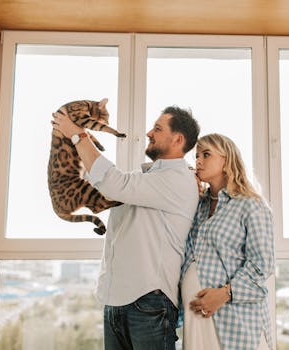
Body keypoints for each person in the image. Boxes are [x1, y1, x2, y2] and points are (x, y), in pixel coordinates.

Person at [52, 105, 200, 350]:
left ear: (178, 139)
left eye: (158, 128)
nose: (149, 133)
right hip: (118, 299)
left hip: (149, 300)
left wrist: (79, 136)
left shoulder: (178, 180)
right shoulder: (146, 179)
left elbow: (112, 183)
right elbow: (101, 181)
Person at [180, 133, 274, 350]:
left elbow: (263, 265)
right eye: (196, 156)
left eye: (206, 154)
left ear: (226, 160)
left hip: (234, 320)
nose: (198, 162)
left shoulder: (250, 205)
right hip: (196, 319)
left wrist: (224, 294)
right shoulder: (199, 207)